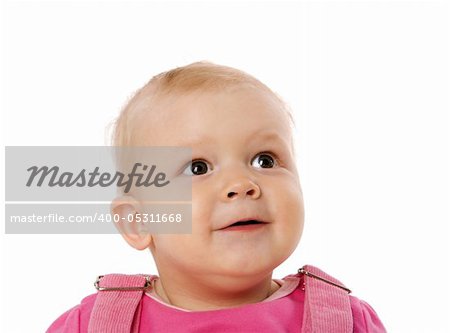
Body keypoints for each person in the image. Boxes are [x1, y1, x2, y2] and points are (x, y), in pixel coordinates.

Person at [47, 61, 386, 332]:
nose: (242, 183)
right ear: (138, 222)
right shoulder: (90, 326)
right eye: (197, 167)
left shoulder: (346, 322)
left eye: (264, 160)